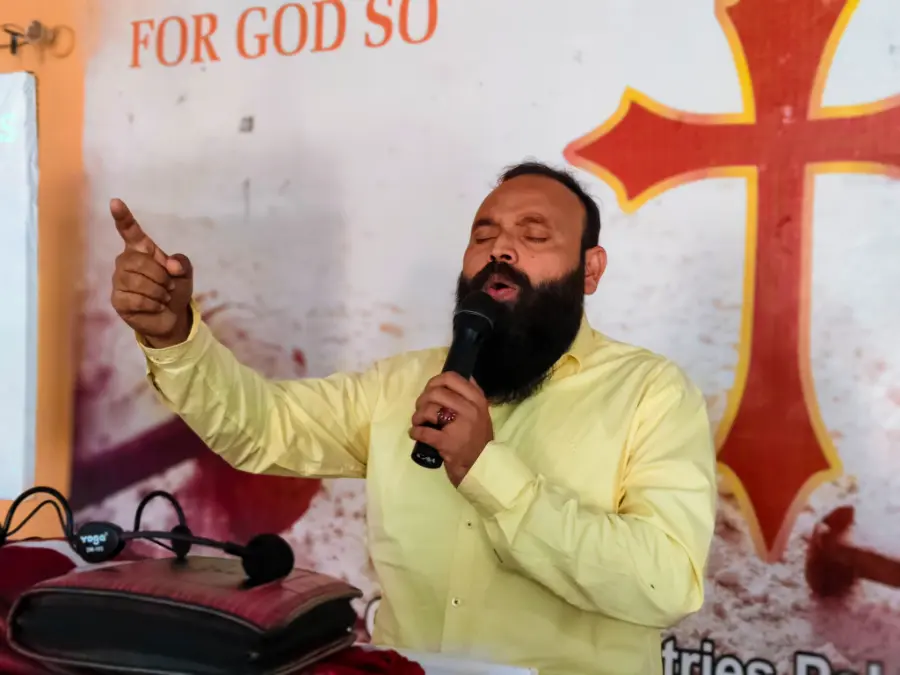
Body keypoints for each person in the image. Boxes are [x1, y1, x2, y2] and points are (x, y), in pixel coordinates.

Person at [109, 161, 717, 675]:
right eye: (483, 235)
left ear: (590, 269)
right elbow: (264, 429)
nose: (500, 250)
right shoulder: (400, 385)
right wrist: (174, 336)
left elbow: (664, 583)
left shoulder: (651, 394)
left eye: (534, 235)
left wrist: (486, 469)